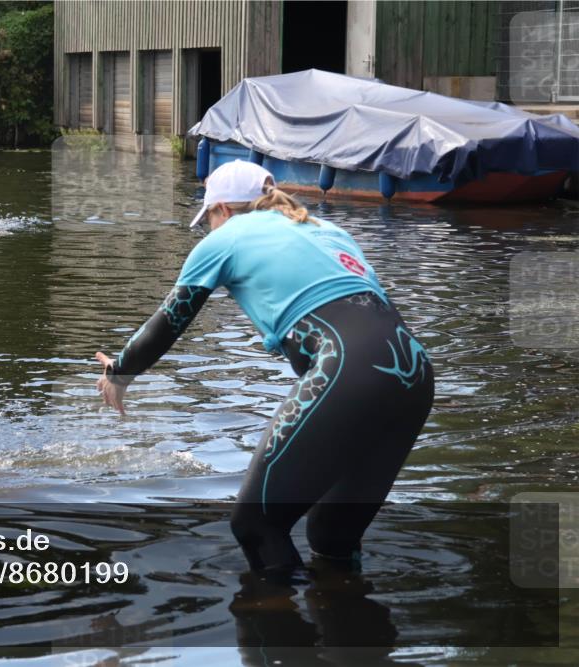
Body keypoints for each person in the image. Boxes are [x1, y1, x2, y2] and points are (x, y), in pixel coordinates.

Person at [95, 159, 434, 573]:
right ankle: (348, 619)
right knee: (332, 534)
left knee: (255, 524)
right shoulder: (327, 230)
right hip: (414, 374)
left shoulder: (228, 238)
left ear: (222, 209)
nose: (207, 230)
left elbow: (168, 322)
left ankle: (278, 624)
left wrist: (119, 372)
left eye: (208, 220)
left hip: (348, 366)